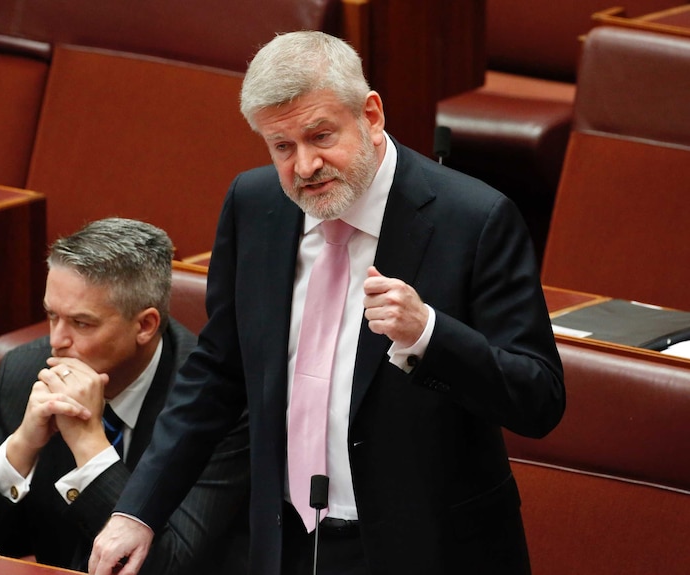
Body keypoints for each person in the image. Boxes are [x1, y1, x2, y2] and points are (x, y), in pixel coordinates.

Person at [89, 31, 565, 575]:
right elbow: (218, 372)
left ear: (371, 114)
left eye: (320, 135)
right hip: (286, 540)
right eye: (282, 147)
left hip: (429, 548)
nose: (306, 165)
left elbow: (539, 398)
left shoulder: (474, 219)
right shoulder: (255, 204)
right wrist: (140, 510)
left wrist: (428, 335)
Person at [0, 218, 249, 573]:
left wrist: (90, 447)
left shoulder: (217, 402)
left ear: (145, 326)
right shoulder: (26, 372)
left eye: (82, 323)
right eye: (52, 315)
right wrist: (22, 446)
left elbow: (167, 567)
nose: (57, 340)